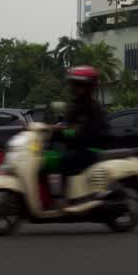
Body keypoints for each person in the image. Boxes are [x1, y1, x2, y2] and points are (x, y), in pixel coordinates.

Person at [53, 65, 109, 207]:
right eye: (74, 84)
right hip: (78, 146)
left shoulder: (92, 108)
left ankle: (67, 199)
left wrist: (65, 131)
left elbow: (83, 133)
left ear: (89, 87)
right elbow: (67, 125)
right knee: (48, 156)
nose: (76, 88)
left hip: (91, 149)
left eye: (79, 85)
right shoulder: (77, 104)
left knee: (63, 160)